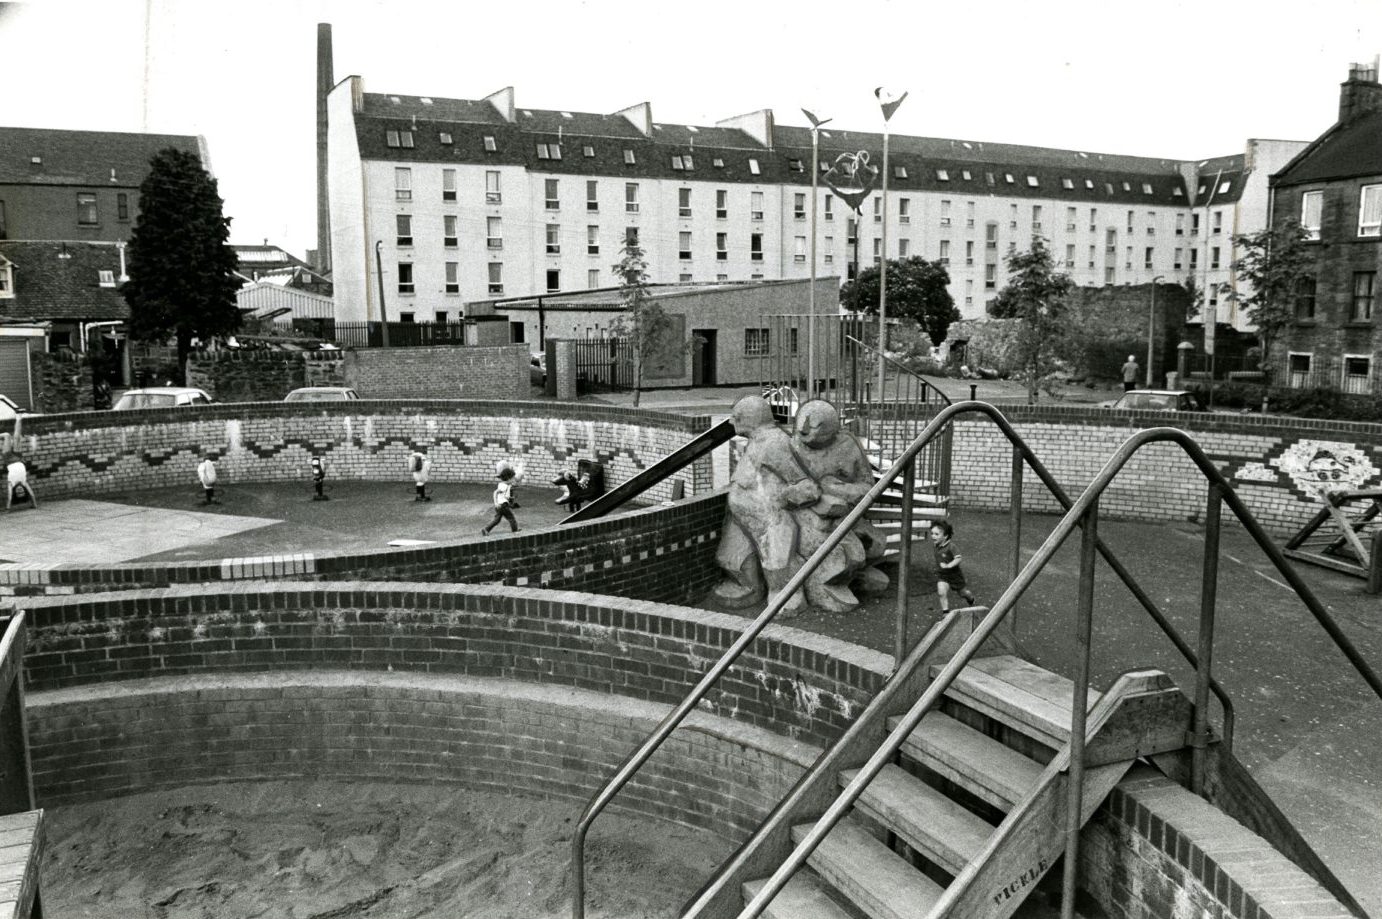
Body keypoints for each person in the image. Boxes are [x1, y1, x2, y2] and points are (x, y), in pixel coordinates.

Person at [713, 395, 821, 616]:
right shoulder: (758, 441)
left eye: (736, 418)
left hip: (769, 519)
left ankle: (789, 597)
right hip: (744, 519)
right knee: (731, 559)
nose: (732, 423)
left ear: (750, 419)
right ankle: (750, 589)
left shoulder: (774, 443)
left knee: (778, 566)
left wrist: (782, 498)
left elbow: (805, 485)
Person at [930, 520, 977, 612]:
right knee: (941, 592)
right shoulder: (936, 545)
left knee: (963, 593)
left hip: (955, 576)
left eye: (936, 534)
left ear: (945, 536)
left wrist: (948, 565)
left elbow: (958, 558)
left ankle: (971, 599)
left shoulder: (951, 547)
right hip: (943, 576)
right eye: (932, 533)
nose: (933, 536)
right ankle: (945, 612)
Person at [480, 464, 520, 535]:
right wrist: (496, 503)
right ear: (508, 478)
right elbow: (495, 492)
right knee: (511, 518)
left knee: (497, 520)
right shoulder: (504, 486)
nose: (513, 480)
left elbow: (504, 496)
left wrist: (511, 498)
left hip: (500, 506)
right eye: (512, 478)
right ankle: (515, 531)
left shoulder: (503, 485)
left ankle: (486, 529)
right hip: (503, 506)